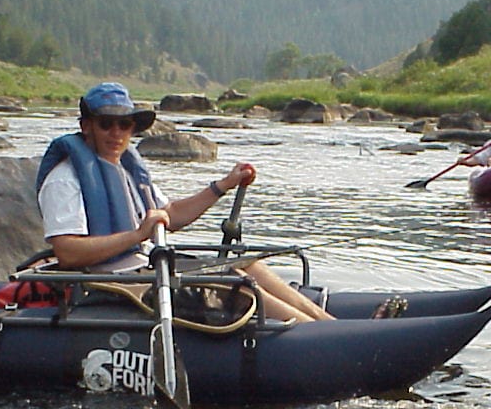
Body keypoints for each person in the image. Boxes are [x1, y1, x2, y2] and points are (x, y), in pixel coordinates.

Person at [36, 82, 334, 323]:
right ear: (86, 126)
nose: (117, 133)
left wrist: (223, 185)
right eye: (106, 124)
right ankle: (320, 341)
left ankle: (326, 325)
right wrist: (138, 235)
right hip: (106, 285)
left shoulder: (125, 168)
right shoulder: (65, 179)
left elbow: (170, 215)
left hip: (144, 270)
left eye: (124, 125)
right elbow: (68, 253)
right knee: (234, 281)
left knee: (248, 265)